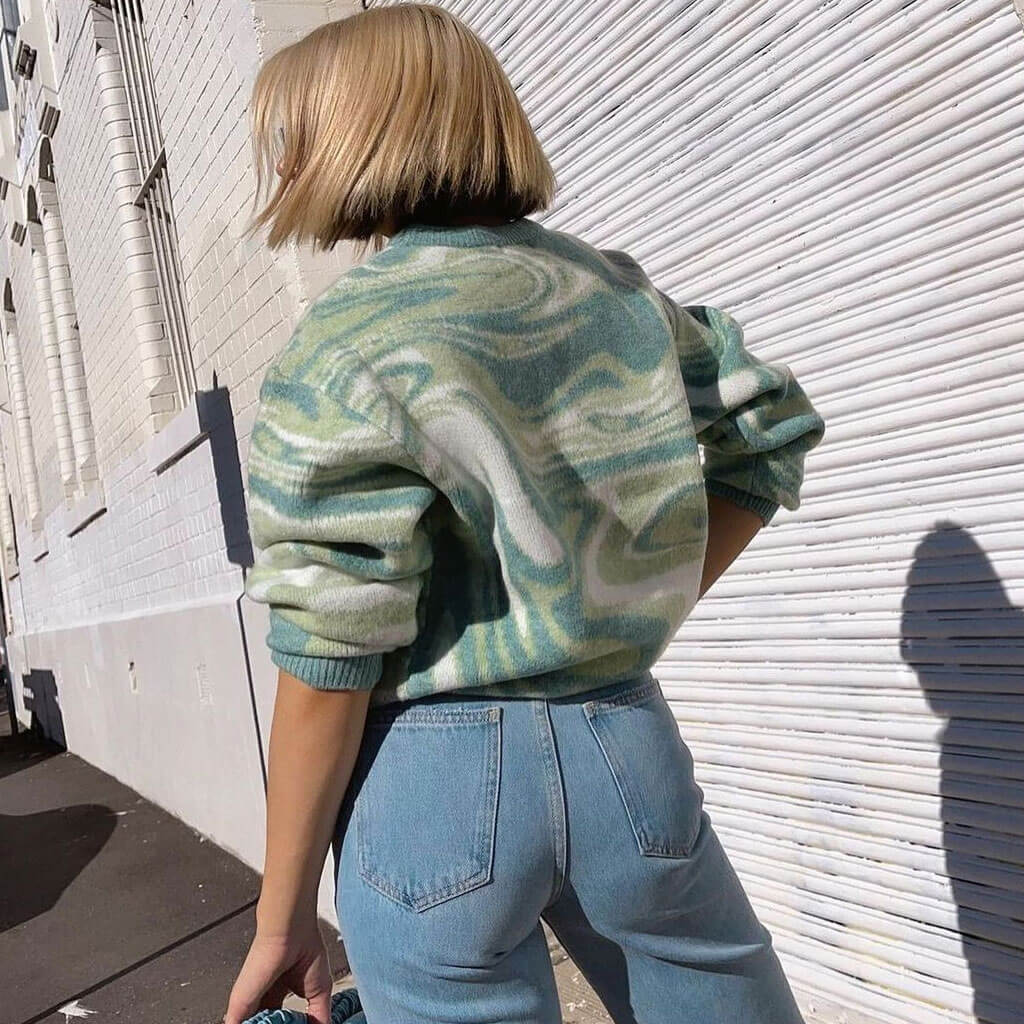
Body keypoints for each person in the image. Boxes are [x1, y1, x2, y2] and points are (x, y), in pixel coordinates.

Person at [225, 5, 826, 1023]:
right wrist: (628, 601)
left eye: (292, 136)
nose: (284, 162)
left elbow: (330, 653)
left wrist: (280, 920)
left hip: (431, 783)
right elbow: (767, 431)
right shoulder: (613, 294)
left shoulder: (340, 344)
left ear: (351, 137)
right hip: (625, 746)